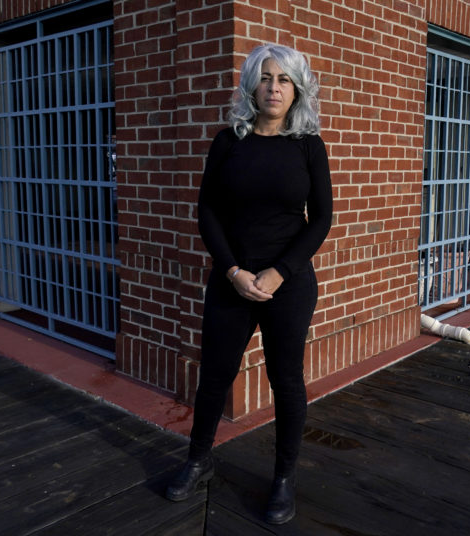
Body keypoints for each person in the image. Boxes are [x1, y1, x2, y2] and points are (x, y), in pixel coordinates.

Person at [165, 44, 333, 526]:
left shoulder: (308, 145)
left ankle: (283, 479)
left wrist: (278, 272)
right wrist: (234, 271)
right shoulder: (227, 142)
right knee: (215, 375)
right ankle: (198, 461)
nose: (274, 87)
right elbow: (207, 212)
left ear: (296, 88)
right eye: (265, 78)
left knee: (286, 380)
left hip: (289, 281)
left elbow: (321, 219)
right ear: (251, 86)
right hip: (231, 279)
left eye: (283, 79)